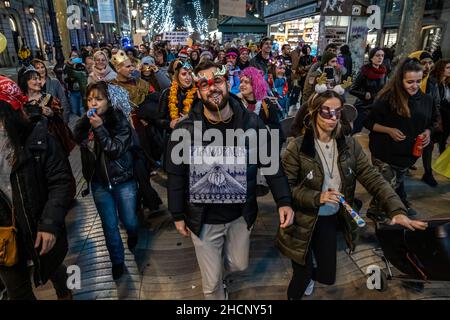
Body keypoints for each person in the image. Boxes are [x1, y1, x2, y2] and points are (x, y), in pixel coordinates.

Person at [277, 90, 428, 300]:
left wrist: (396, 209)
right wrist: (316, 197)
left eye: (337, 112)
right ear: (313, 113)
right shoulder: (297, 147)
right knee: (300, 278)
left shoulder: (349, 145)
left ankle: (310, 275)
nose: (332, 118)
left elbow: (374, 178)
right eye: (326, 112)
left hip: (329, 218)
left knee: (328, 276)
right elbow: (285, 188)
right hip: (301, 219)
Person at [166, 60, 294, 299]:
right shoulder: (185, 129)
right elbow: (176, 174)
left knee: (239, 265)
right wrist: (177, 214)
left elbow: (272, 165)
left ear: (227, 83)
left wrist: (284, 200)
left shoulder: (252, 124)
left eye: (217, 80)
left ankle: (221, 266)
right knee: (211, 283)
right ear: (198, 90)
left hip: (240, 215)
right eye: (204, 84)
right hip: (202, 219)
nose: (212, 87)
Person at [0, 76, 76, 299]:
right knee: (18, 290)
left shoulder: (39, 138)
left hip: (36, 222)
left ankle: (65, 292)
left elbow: (61, 182)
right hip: (4, 233)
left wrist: (50, 223)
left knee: (51, 267)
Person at [73, 81, 139, 280]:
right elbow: (76, 137)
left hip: (123, 180)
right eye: (90, 99)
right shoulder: (87, 120)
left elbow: (114, 150)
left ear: (109, 102)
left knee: (130, 221)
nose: (93, 103)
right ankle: (117, 261)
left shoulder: (119, 121)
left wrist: (100, 129)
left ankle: (134, 234)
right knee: (109, 226)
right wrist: (85, 124)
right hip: (99, 183)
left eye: (98, 99)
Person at [364, 58, 437, 218]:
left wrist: (428, 132)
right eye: (410, 81)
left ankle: (396, 205)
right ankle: (378, 213)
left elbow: (433, 121)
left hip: (408, 154)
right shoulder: (387, 98)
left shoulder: (427, 100)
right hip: (385, 151)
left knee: (397, 181)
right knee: (386, 186)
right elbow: (368, 122)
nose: (415, 85)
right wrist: (389, 130)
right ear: (400, 80)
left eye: (418, 81)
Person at [18, 66, 76, 157]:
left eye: (38, 79)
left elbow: (61, 118)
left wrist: (52, 114)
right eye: (35, 79)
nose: (39, 82)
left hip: (52, 142)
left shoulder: (48, 98)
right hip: (32, 144)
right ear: (25, 82)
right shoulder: (21, 103)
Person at [409, 50, 441, 187]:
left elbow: (436, 102)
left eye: (430, 62)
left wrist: (432, 125)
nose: (427, 66)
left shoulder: (432, 82)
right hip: (409, 122)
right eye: (424, 63)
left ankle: (428, 172)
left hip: (425, 122)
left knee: (428, 145)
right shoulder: (405, 80)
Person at [350, 47, 387, 134]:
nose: (380, 58)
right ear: (371, 58)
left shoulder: (384, 72)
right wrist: (364, 94)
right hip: (363, 107)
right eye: (377, 55)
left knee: (376, 132)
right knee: (355, 131)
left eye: (382, 56)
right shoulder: (364, 71)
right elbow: (352, 89)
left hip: (377, 107)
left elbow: (386, 88)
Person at [31, 59, 71, 124]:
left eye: (42, 67)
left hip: (57, 120)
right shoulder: (33, 86)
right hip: (42, 124)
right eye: (37, 68)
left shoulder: (54, 82)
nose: (41, 70)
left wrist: (65, 119)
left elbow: (63, 100)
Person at [432, 59, 450, 153]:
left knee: (442, 140)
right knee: (431, 142)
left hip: (445, 117)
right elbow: (436, 102)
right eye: (448, 68)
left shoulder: (447, 82)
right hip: (438, 116)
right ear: (441, 69)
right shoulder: (435, 82)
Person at [64, 52, 88, 117]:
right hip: (73, 91)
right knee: (75, 110)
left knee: (82, 110)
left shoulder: (82, 65)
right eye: (72, 55)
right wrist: (70, 65)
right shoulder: (67, 66)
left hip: (82, 91)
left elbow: (86, 75)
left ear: (78, 57)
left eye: (76, 56)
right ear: (70, 57)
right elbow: (65, 78)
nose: (74, 57)